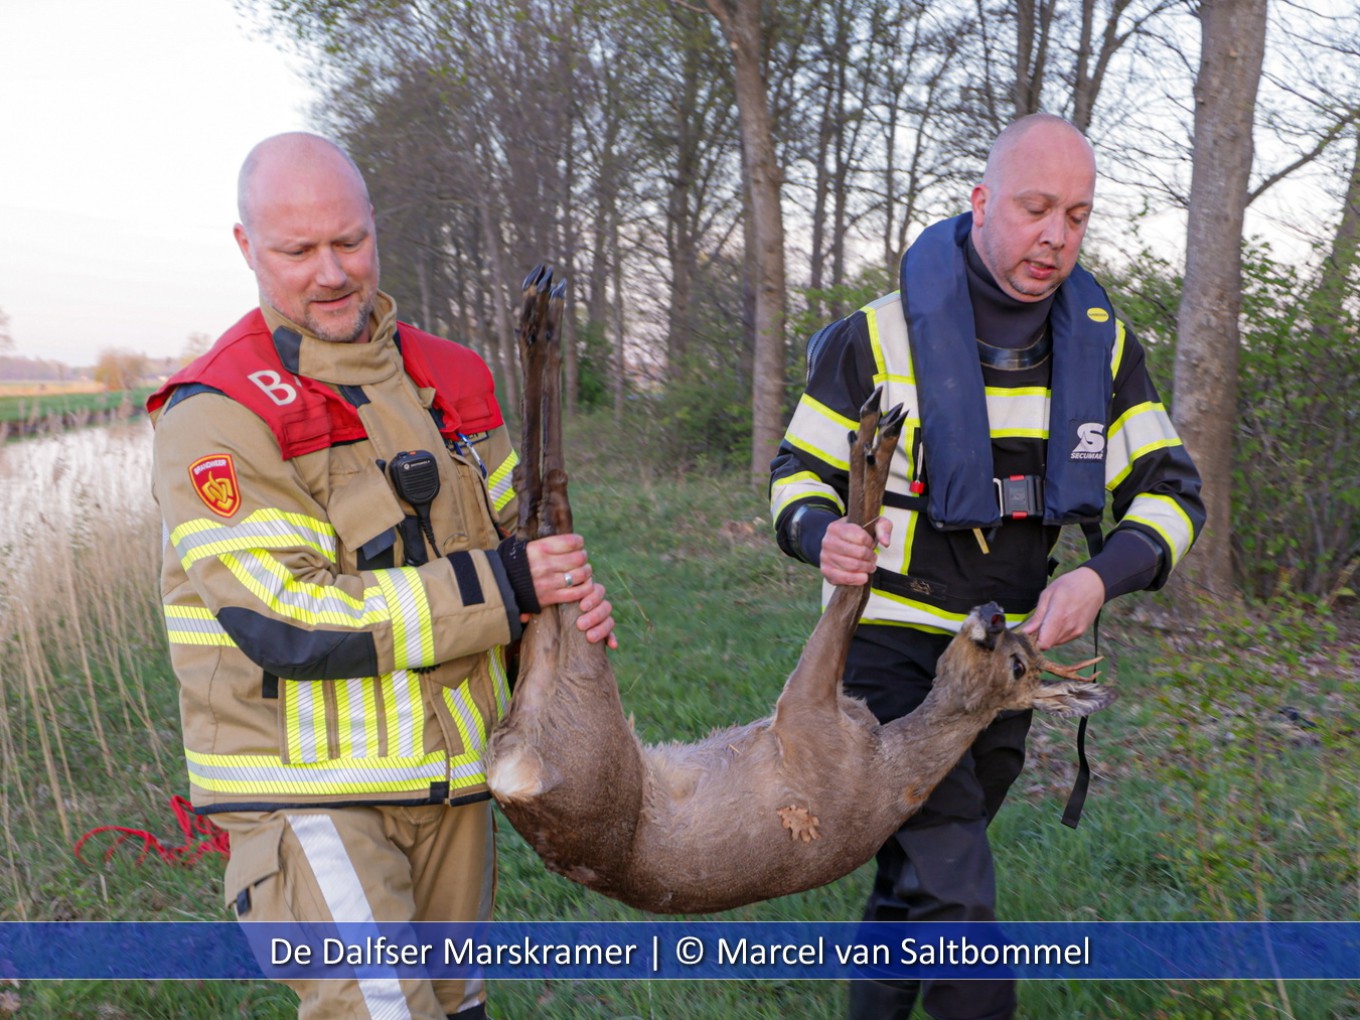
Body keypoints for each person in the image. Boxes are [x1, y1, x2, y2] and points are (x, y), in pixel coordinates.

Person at [147, 132, 616, 1020]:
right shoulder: (217, 413)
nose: (331, 272)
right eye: (297, 251)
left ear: (375, 230)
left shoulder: (456, 378)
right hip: (310, 799)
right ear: (248, 249)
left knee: (457, 1007)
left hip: (454, 784)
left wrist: (560, 603)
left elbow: (517, 542)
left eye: (349, 241)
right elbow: (287, 618)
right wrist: (507, 585)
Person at [769, 113, 1204, 1020]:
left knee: (911, 894)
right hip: (885, 649)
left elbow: (1173, 496)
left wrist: (1097, 577)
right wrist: (822, 534)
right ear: (980, 202)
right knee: (958, 898)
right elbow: (794, 480)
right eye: (1036, 207)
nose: (1056, 236)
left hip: (1000, 660)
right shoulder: (874, 338)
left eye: (1077, 216)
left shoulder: (1105, 348)